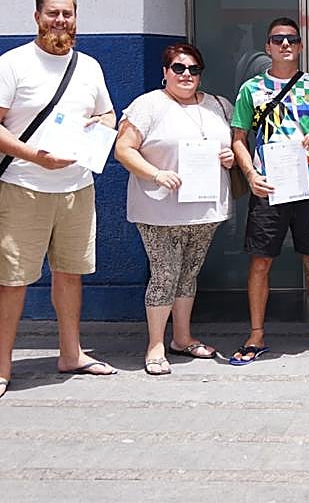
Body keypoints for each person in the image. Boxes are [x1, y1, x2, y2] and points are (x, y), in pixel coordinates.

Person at [0, 0, 116, 400]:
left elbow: (107, 112)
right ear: (37, 17)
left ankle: (71, 353)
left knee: (71, 275)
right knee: (13, 281)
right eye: (53, 14)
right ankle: (1, 368)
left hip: (77, 187)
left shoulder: (88, 66)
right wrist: (33, 155)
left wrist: (103, 127)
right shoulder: (13, 63)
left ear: (76, 18)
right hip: (23, 187)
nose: (60, 21)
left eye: (68, 14)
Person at [230, 17, 309, 362]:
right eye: (277, 39)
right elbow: (238, 138)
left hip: (308, 187)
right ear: (267, 47)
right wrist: (250, 173)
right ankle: (256, 335)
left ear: (300, 46)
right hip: (268, 188)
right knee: (261, 262)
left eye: (291, 40)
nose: (285, 45)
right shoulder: (251, 90)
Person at [113, 43, 234, 375]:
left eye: (193, 70)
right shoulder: (148, 105)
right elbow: (123, 149)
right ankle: (155, 344)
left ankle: (182, 337)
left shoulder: (218, 106)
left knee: (188, 275)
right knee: (164, 275)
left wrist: (230, 158)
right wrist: (155, 174)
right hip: (158, 210)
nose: (186, 75)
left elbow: (233, 147)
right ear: (165, 72)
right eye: (179, 68)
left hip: (204, 209)